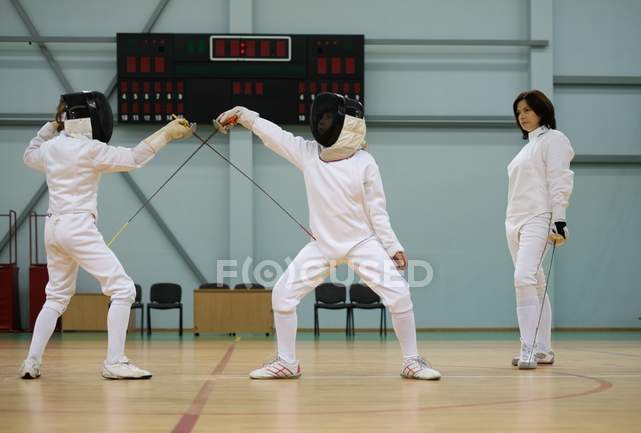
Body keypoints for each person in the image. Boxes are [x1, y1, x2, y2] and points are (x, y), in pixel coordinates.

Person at [214, 93, 440, 380]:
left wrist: (392, 246)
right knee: (283, 295)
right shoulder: (308, 154)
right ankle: (287, 362)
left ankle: (411, 361)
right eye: (321, 118)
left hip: (362, 243)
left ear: (348, 125)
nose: (323, 123)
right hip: (322, 246)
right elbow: (276, 136)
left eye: (329, 119)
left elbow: (377, 210)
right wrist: (245, 115)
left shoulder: (365, 162)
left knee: (399, 295)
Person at [20, 91, 192, 379]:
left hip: (52, 228)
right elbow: (135, 157)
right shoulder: (89, 150)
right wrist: (166, 133)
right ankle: (115, 362)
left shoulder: (51, 149)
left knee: (56, 296)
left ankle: (31, 362)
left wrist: (51, 126)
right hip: (77, 228)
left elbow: (28, 155)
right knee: (123, 289)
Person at [506, 90, 575, 369]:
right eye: (519, 112)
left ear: (542, 112)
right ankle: (544, 350)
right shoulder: (526, 148)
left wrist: (559, 218)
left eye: (528, 110)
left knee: (523, 277)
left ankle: (529, 348)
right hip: (514, 221)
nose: (522, 116)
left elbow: (560, 179)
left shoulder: (554, 140)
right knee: (535, 283)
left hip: (540, 217)